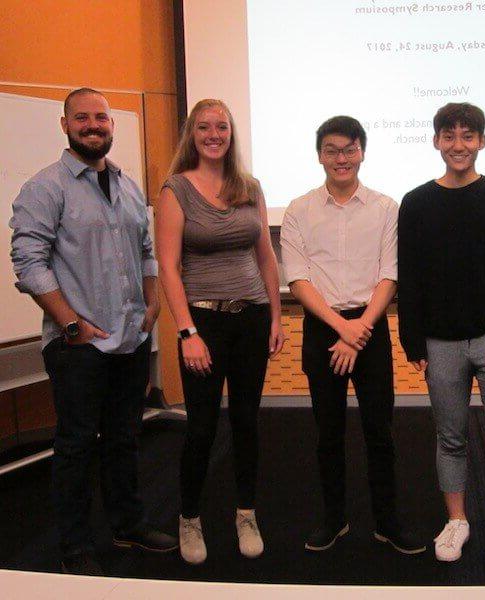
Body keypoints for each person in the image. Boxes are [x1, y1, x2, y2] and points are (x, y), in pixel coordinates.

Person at [9, 87, 177, 576]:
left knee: (125, 438)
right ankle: (75, 543)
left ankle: (127, 524)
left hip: (128, 337)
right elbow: (28, 261)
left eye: (101, 118)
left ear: (111, 124)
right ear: (65, 125)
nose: (93, 125)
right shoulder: (45, 188)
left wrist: (151, 304)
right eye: (81, 118)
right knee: (77, 445)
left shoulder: (127, 186)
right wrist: (70, 322)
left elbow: (147, 249)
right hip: (76, 345)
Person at [398, 102, 485, 584]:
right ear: (436, 141)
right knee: (450, 437)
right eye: (449, 135)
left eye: (468, 135)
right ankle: (456, 521)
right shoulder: (415, 202)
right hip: (440, 342)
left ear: (482, 141)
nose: (458, 144)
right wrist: (411, 339)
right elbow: (409, 277)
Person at [280, 115, 424, 555]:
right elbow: (298, 279)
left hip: (371, 326)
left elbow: (390, 274)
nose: (341, 158)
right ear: (319, 155)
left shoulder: (385, 207)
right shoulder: (298, 209)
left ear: (362, 151)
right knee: (328, 433)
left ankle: (387, 522)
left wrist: (359, 330)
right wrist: (342, 328)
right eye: (331, 150)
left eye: (349, 149)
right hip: (324, 327)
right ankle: (334, 519)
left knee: (380, 432)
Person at [155, 99, 285, 564]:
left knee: (247, 421)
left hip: (250, 317)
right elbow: (169, 269)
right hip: (203, 322)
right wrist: (188, 331)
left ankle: (245, 513)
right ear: (192, 132)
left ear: (231, 133)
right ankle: (189, 518)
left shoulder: (249, 186)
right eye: (205, 127)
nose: (214, 134)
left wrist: (274, 315)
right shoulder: (175, 190)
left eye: (222, 127)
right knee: (203, 428)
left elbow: (266, 255)